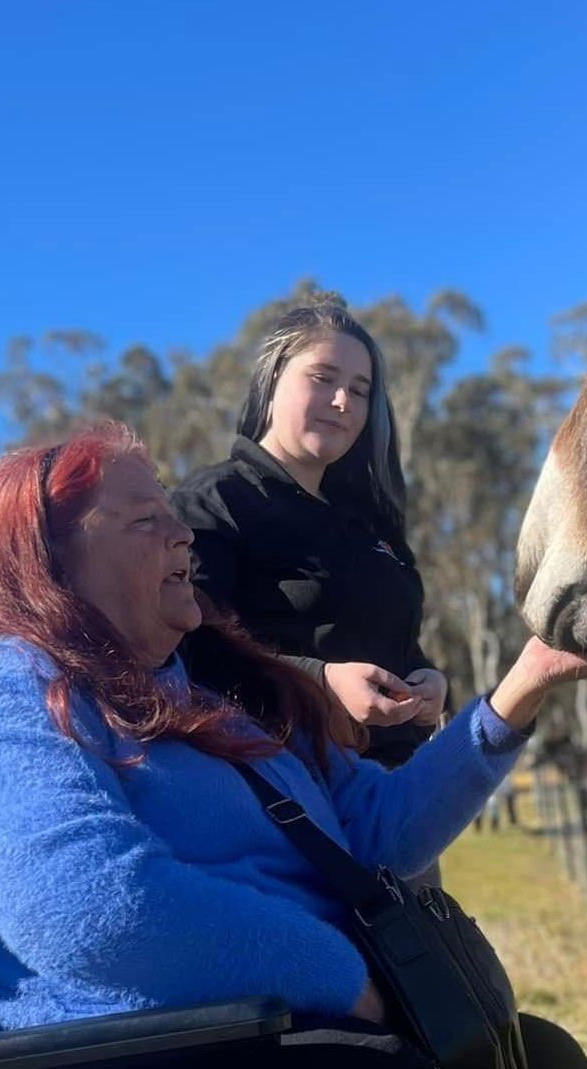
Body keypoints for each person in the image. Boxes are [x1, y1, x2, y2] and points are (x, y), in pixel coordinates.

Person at [0, 423, 587, 1069]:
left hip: (270, 1039)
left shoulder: (200, 702)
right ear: (48, 560)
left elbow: (378, 829)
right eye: (145, 520)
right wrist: (340, 977)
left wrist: (528, 680)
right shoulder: (6, 682)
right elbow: (89, 907)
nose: (182, 533)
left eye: (173, 515)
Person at [173, 301, 446, 773]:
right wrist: (319, 683)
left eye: (360, 391)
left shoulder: (368, 524)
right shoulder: (215, 503)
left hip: (402, 798)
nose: (343, 401)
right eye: (323, 378)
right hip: (290, 798)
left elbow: (393, 641)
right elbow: (191, 654)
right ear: (272, 380)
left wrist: (429, 685)